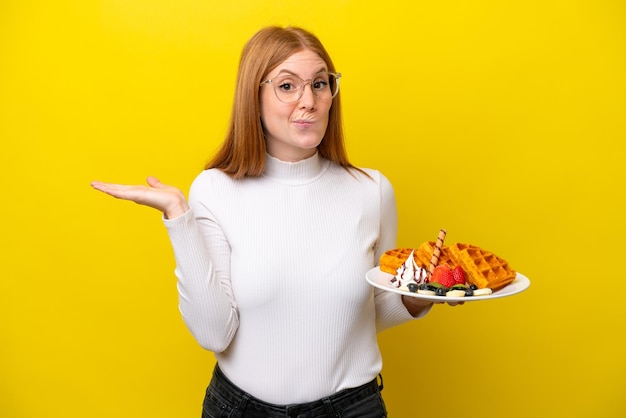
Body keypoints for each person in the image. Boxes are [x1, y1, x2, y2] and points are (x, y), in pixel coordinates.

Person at [92, 25, 454, 418]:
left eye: (320, 84)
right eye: (287, 86)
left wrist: (418, 297)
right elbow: (215, 333)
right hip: (241, 408)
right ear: (254, 96)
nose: (309, 101)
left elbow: (364, 310)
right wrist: (179, 217)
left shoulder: (371, 191)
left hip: (352, 408)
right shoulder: (214, 191)